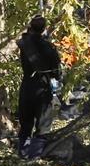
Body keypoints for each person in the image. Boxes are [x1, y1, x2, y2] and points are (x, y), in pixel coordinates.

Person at [16, 15, 62, 158]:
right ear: (45, 28)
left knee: (26, 122)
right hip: (42, 86)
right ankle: (34, 157)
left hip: (26, 85)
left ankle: (22, 154)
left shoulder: (24, 43)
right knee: (43, 123)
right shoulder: (48, 46)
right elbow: (56, 70)